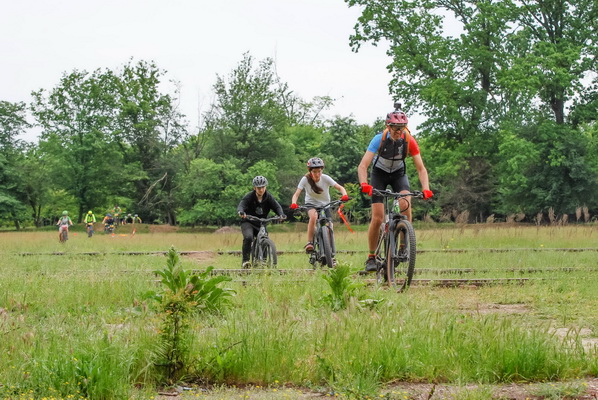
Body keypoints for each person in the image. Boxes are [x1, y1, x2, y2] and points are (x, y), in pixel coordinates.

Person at [357, 105, 433, 272]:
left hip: (398, 174)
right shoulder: (379, 139)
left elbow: (421, 169)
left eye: (401, 128)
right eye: (395, 128)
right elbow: (363, 166)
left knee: (406, 203)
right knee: (377, 217)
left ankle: (404, 245)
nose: (398, 132)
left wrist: (426, 188)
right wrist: (364, 184)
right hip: (379, 175)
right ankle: (371, 257)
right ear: (388, 126)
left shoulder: (409, 140)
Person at [290, 157, 349, 253]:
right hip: (311, 204)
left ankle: (330, 252)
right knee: (313, 217)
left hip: (325, 205)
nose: (317, 174)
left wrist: (344, 195)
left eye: (319, 171)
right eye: (314, 172)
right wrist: (293, 203)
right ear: (310, 171)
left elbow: (340, 188)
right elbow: (296, 194)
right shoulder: (305, 179)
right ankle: (310, 242)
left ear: (322, 170)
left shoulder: (325, 178)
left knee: (330, 226)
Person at [237, 176, 286, 268]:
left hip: (261, 223)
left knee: (264, 238)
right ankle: (245, 261)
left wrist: (281, 214)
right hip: (248, 221)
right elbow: (242, 205)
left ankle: (263, 261)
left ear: (265, 187)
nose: (261, 190)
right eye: (259, 188)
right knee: (248, 237)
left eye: (263, 187)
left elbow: (276, 206)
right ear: (254, 188)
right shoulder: (249, 196)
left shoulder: (268, 197)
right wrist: (241, 212)